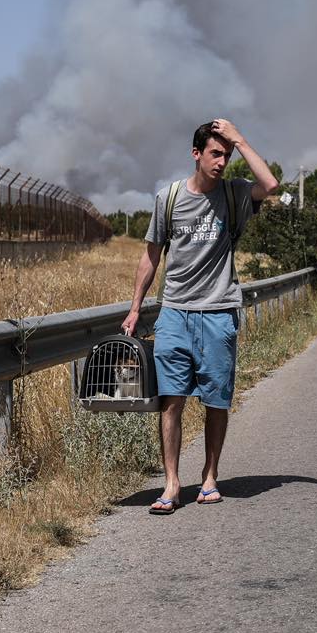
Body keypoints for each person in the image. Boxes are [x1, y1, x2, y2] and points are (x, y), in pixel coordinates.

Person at [122, 119, 279, 514]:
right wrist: (136, 307)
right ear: (196, 154)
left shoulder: (235, 193)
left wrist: (240, 138)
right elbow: (151, 255)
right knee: (171, 400)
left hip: (218, 312)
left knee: (216, 401)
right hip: (175, 312)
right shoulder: (170, 197)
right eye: (215, 153)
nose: (222, 162)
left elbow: (271, 184)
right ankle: (172, 483)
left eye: (227, 155)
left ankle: (210, 476)